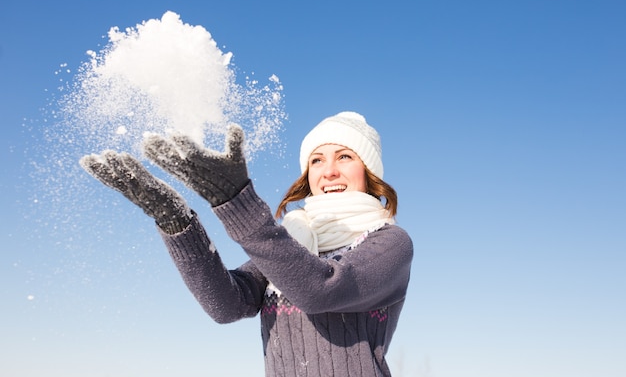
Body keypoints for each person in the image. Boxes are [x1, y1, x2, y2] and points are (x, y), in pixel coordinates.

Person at [80, 111, 413, 377]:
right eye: (316, 160)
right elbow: (225, 304)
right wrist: (176, 222)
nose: (328, 171)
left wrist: (237, 202)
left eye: (344, 157)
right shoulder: (295, 242)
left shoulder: (388, 244)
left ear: (369, 172)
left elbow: (318, 290)